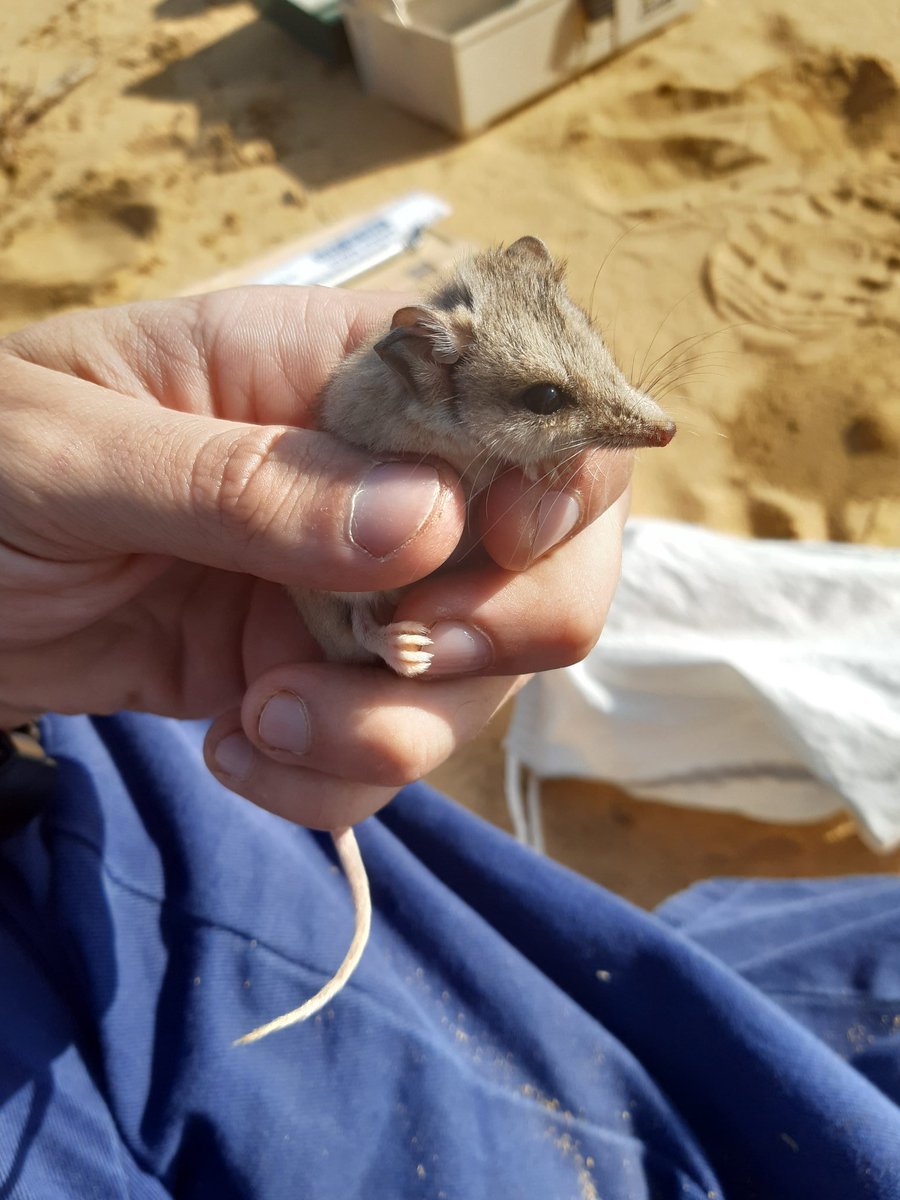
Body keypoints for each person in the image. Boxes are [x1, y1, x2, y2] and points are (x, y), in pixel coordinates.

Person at [1, 288, 899, 1198]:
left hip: (76, 719)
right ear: (431, 373)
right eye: (547, 400)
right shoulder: (400, 405)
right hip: (217, 693)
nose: (646, 419)